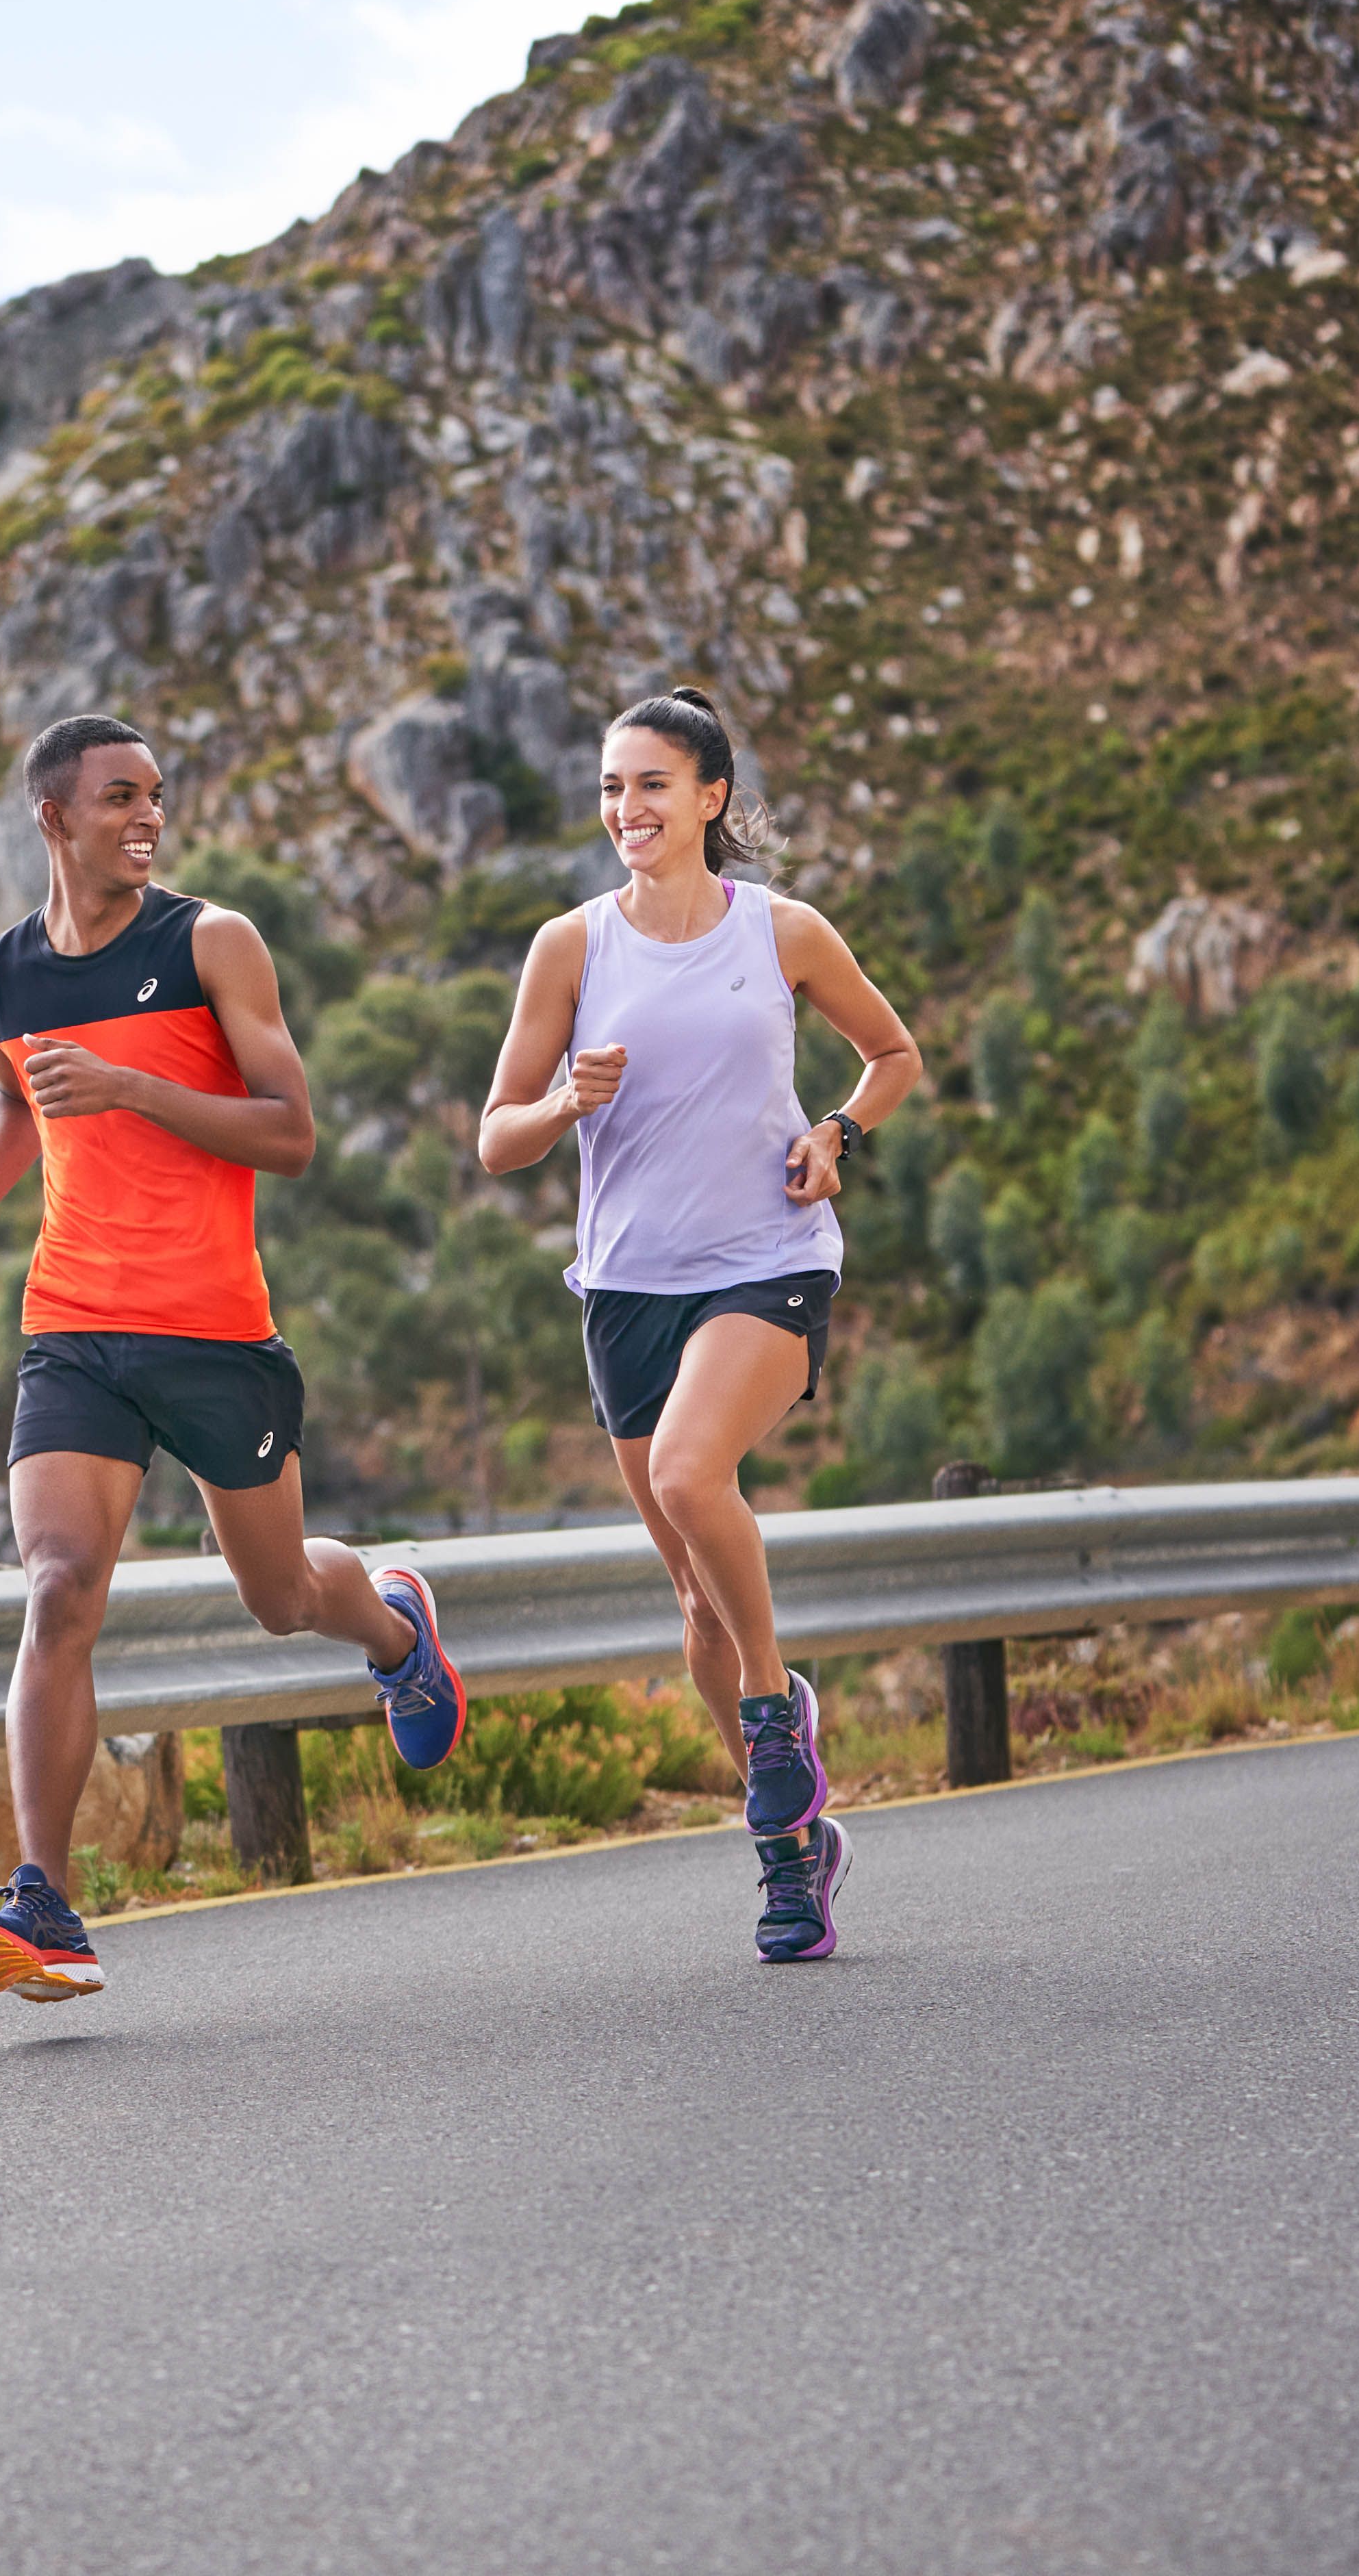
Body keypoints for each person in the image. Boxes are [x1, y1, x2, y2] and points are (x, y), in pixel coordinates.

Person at [0, 713, 466, 2002]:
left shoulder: (210, 941)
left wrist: (141, 1091)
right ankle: (46, 1902)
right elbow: (16, 1095)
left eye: (156, 795)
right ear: (54, 819)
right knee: (57, 1586)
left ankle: (395, 1631)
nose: (147, 815)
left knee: (277, 1599)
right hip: (75, 1328)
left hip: (216, 1330)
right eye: (120, 797)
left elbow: (291, 1132)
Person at [477, 687, 922, 1963]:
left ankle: (776, 1721)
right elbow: (497, 1137)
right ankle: (794, 1858)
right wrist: (564, 1099)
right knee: (692, 1602)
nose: (628, 810)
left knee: (688, 1473)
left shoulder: (782, 932)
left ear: (712, 796)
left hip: (768, 1265)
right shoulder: (571, 947)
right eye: (613, 788)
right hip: (626, 1289)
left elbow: (892, 1056)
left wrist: (837, 1136)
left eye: (653, 785)